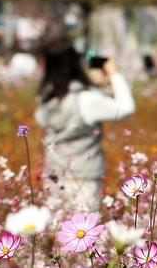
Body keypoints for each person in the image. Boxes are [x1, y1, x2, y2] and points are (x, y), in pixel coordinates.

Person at [33, 37, 136, 214]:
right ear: (76, 64)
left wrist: (95, 85)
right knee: (84, 231)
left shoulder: (47, 98)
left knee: (58, 230)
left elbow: (41, 119)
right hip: (84, 178)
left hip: (54, 174)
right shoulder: (87, 100)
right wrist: (114, 74)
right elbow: (126, 107)